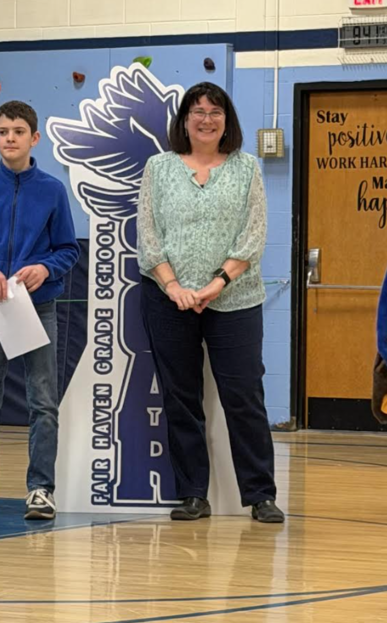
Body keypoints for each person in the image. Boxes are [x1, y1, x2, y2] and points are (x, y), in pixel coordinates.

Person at [136, 82, 284, 524]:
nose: (206, 119)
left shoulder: (246, 168)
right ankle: (192, 494)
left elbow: (254, 234)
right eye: (197, 111)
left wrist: (217, 282)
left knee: (244, 397)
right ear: (184, 120)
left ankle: (260, 494)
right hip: (168, 299)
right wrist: (174, 286)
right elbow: (147, 233)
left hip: (235, 299)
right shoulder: (158, 168)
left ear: (227, 121)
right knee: (181, 398)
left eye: (215, 111)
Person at [0, 100, 80, 520]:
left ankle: (41, 489)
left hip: (38, 309)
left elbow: (67, 250)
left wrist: (45, 267)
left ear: (34, 138)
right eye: (4, 131)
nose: (11, 137)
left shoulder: (52, 190)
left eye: (19, 131)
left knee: (43, 403)